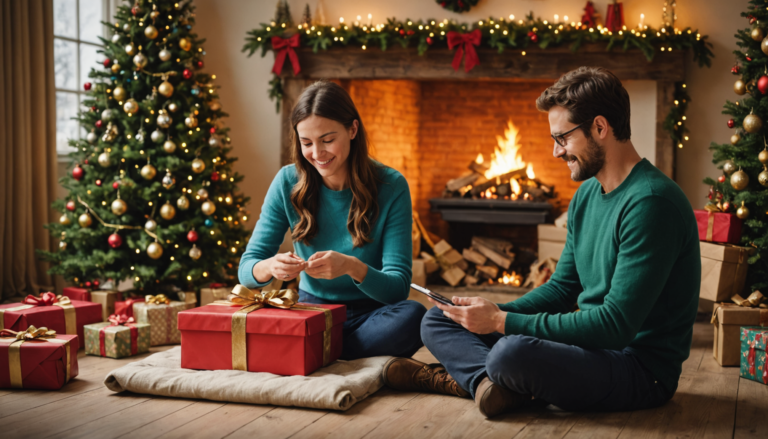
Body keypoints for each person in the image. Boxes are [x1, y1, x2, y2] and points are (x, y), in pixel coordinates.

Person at [382, 66, 701, 417]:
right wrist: (490, 312)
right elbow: (562, 288)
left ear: (600, 127)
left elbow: (615, 327)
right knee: (439, 321)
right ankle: (489, 386)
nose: (555, 152)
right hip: (592, 350)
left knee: (511, 353)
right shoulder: (586, 196)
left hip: (638, 370)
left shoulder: (652, 203)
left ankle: (476, 379)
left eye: (562, 138)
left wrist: (501, 323)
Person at [238, 80, 426, 361]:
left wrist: (352, 267)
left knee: (415, 316)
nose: (317, 153)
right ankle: (331, 350)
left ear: (352, 129)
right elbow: (246, 271)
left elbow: (398, 288)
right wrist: (269, 266)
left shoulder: (391, 185)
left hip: (373, 313)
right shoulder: (287, 182)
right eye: (306, 143)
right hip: (311, 313)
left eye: (327, 140)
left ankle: (314, 351)